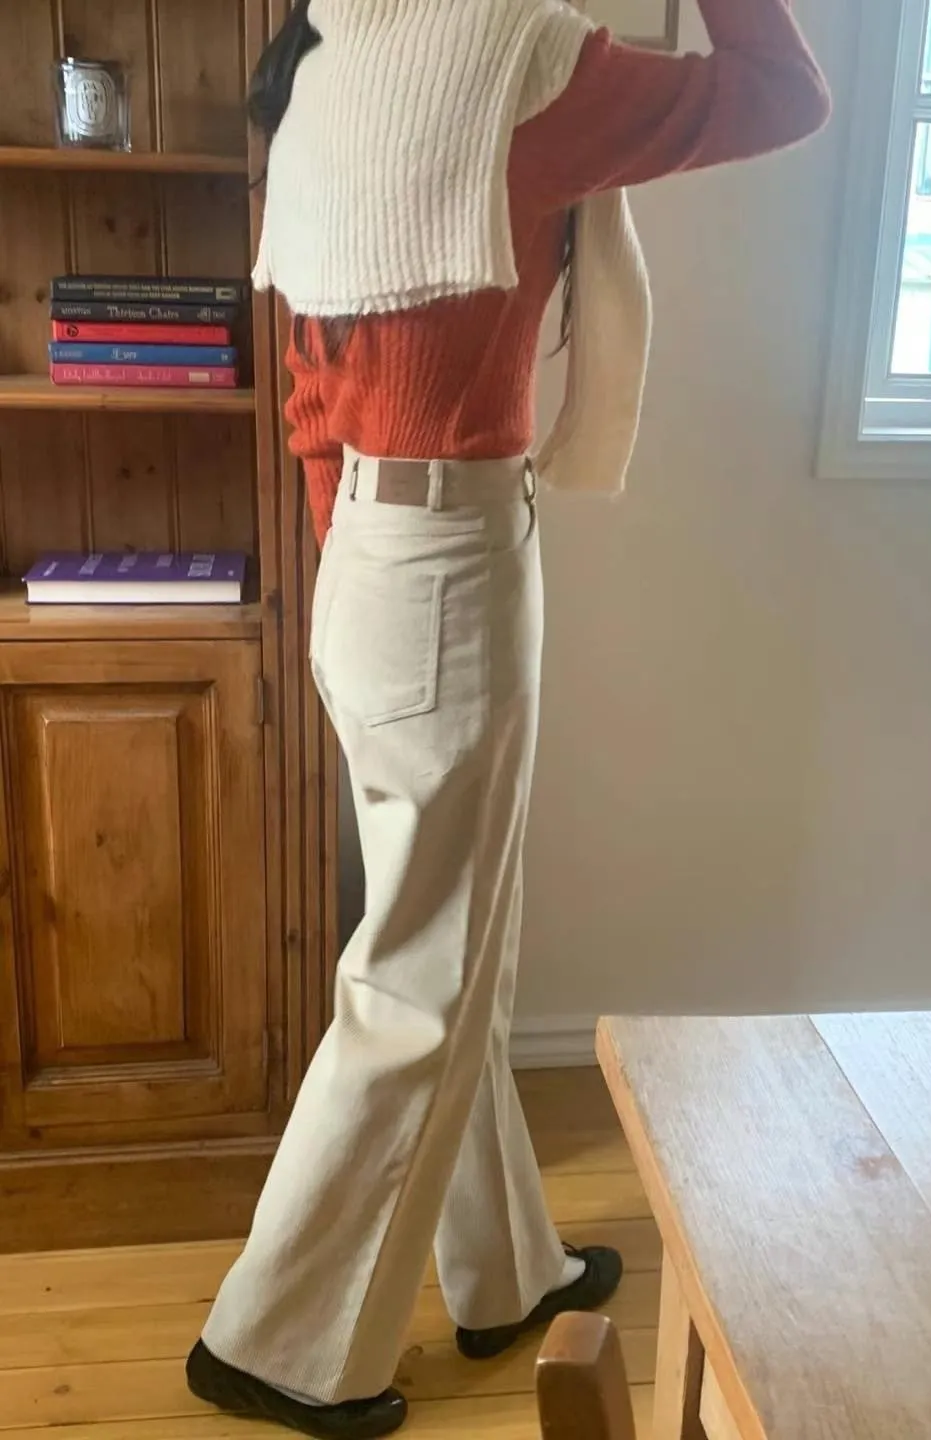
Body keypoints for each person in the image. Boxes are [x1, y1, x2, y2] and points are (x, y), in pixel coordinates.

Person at [185, 1, 829, 1435]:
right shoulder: (532, 64)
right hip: (447, 555)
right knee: (419, 978)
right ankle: (274, 1341)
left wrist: (354, 568)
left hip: (363, 549)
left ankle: (504, 1274)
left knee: (453, 943)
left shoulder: (326, 56)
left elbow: (307, 388)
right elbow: (781, 90)